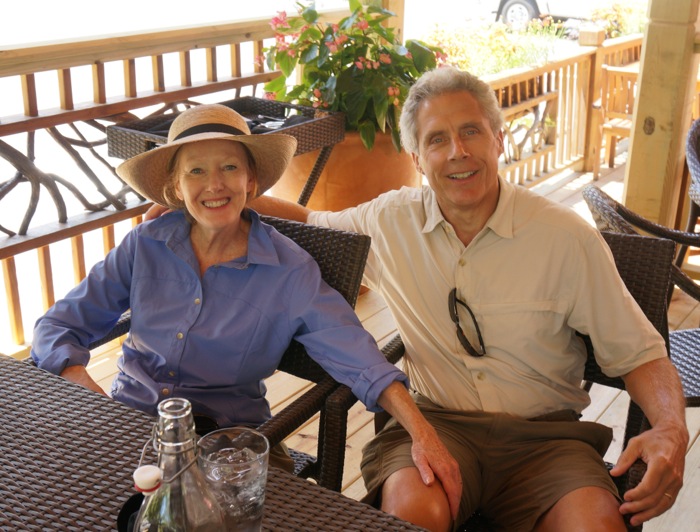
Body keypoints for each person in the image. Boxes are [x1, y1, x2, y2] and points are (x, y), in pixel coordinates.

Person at [207, 66, 685, 531]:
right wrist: (205, 201)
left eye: (472, 131)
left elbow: (640, 354)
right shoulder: (391, 220)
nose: (458, 152)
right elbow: (306, 223)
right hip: (435, 426)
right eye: (436, 139)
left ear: (499, 139)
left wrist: (670, 428)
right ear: (417, 158)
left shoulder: (566, 239)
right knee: (413, 515)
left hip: (549, 440)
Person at [30, 104, 461, 494]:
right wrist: (92, 398)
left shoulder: (288, 270)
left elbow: (358, 356)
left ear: (250, 180)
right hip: (131, 428)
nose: (214, 185)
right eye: (195, 171)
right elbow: (57, 326)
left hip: (227, 446)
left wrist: (422, 432)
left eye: (229, 167)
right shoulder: (146, 243)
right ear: (176, 187)